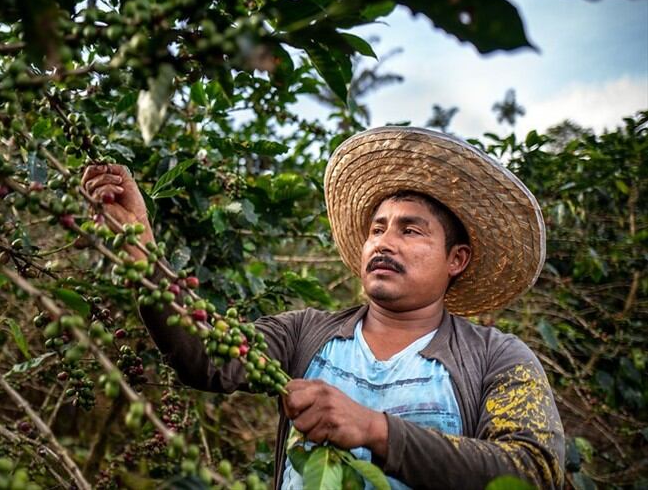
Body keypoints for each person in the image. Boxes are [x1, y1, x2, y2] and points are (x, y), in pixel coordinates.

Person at [81, 127, 565, 489]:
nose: (384, 242)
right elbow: (204, 355)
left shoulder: (497, 358)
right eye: (377, 228)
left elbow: (531, 471)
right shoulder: (304, 335)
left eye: (410, 230)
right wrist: (138, 244)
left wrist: (376, 430)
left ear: (456, 259)